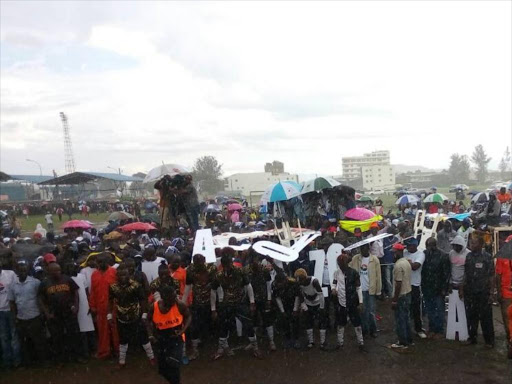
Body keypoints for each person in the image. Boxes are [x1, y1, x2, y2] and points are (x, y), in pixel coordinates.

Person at [211, 247, 260, 359]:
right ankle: (220, 349)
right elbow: (213, 291)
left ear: (231, 263)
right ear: (222, 265)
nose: (227, 267)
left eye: (229, 264)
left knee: (248, 325)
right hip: (227, 303)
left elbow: (248, 286)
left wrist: (252, 302)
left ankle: (255, 347)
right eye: (225, 265)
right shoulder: (219, 276)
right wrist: (213, 309)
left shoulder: (239, 271)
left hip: (240, 302)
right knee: (223, 326)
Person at [38, 262, 85, 364]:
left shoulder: (67, 279)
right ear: (49, 272)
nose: (57, 272)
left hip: (68, 312)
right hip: (54, 314)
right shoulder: (45, 283)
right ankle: (61, 359)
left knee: (73, 335)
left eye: (58, 270)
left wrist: (76, 307)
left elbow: (76, 293)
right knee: (57, 337)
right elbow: (40, 299)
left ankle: (77, 356)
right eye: (54, 270)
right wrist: (46, 313)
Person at [109, 266, 155, 368]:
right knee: (123, 339)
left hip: (136, 315)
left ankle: (151, 357)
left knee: (143, 337)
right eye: (120, 275)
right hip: (121, 317)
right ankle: (122, 361)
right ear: (117, 276)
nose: (122, 277)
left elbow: (143, 299)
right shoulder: (113, 287)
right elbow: (110, 300)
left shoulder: (136, 286)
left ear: (129, 275)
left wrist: (144, 313)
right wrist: (109, 314)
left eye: (125, 274)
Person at [147, 285, 191, 384]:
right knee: (163, 370)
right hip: (161, 338)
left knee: (174, 362)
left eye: (175, 296)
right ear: (164, 298)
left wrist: (183, 330)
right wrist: (151, 335)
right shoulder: (154, 307)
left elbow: (188, 316)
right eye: (172, 298)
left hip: (176, 338)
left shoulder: (179, 305)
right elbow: (147, 321)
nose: (175, 299)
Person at [8, 261, 47, 366]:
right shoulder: (12, 286)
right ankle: (28, 363)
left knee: (39, 341)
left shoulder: (35, 282)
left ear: (28, 271)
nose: (23, 272)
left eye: (25, 270)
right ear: (17, 271)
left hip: (35, 317)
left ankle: (42, 362)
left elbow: (41, 299)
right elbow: (12, 302)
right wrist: (14, 316)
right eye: (20, 270)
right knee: (25, 343)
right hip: (21, 318)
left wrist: (43, 313)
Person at [461, 237, 495, 348]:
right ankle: (472, 338)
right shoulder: (469, 256)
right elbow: (465, 273)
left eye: (474, 243)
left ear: (480, 244)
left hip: (483, 291)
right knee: (471, 316)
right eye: (471, 242)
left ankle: (489, 341)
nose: (471, 244)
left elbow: (491, 276)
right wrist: (462, 288)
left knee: (486, 317)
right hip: (470, 291)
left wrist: (491, 292)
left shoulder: (487, 257)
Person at [183, 253, 217, 360]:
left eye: (200, 262)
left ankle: (213, 349)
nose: (198, 264)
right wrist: (183, 303)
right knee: (195, 326)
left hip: (210, 301)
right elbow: (188, 287)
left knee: (211, 326)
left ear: (204, 260)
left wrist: (213, 308)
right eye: (196, 262)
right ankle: (195, 350)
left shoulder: (211, 269)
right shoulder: (190, 270)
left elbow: (214, 289)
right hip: (197, 302)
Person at [89, 252, 119, 359]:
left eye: (102, 262)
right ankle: (104, 351)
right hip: (100, 307)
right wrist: (92, 306)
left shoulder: (114, 272)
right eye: (98, 262)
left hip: (113, 306)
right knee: (102, 330)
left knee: (115, 330)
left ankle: (117, 350)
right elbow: (93, 291)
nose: (100, 264)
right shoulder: (94, 274)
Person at [244, 249, 275, 351]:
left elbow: (268, 285)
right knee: (252, 320)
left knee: (267, 319)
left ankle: (271, 341)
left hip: (263, 298)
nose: (254, 261)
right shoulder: (246, 270)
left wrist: (269, 299)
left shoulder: (264, 270)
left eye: (255, 259)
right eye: (252, 259)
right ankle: (254, 343)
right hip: (251, 299)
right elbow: (246, 286)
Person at [332, 253, 364, 350]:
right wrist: (333, 289)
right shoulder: (336, 273)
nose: (340, 266)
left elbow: (358, 288)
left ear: (347, 264)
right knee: (340, 323)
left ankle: (361, 342)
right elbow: (334, 283)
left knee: (357, 323)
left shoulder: (354, 273)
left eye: (342, 264)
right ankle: (340, 342)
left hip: (352, 302)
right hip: (341, 302)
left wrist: (361, 302)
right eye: (339, 264)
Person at [349, 243, 382, 338]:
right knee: (362, 311)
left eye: (365, 248)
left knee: (371, 311)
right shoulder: (356, 258)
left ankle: (373, 329)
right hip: (360, 290)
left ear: (368, 249)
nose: (363, 251)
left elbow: (378, 276)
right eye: (361, 249)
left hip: (370, 289)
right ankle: (364, 329)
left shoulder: (374, 260)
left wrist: (378, 291)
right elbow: (349, 266)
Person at [421, 238, 450, 339]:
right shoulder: (424, 254)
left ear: (436, 245)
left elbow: (446, 274)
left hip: (438, 288)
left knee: (439, 310)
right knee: (430, 310)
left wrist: (444, 289)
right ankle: (432, 328)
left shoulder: (443, 256)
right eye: (428, 246)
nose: (430, 248)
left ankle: (439, 330)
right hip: (427, 287)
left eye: (432, 245)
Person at [294, 268, 328, 349]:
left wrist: (322, 307)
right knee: (308, 322)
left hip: (318, 303)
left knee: (321, 322)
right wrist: (304, 306)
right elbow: (300, 295)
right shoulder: (299, 284)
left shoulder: (314, 281)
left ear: (304, 278)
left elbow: (321, 295)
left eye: (301, 281)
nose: (300, 283)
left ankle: (322, 342)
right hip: (308, 303)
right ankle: (311, 341)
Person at [68, 263, 95, 358]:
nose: (74, 269)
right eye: (71, 267)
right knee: (81, 333)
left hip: (85, 306)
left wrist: (90, 305)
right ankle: (84, 353)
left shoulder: (82, 276)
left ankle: (93, 350)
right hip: (76, 308)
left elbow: (87, 292)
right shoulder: (68, 279)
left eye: (75, 267)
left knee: (90, 331)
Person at [391, 243, 413, 350]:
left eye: (394, 252)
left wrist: (394, 300)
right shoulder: (406, 262)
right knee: (406, 318)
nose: (393, 254)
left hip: (401, 296)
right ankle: (409, 339)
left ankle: (402, 342)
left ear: (399, 252)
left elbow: (398, 284)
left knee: (400, 320)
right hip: (408, 293)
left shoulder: (398, 265)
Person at [404, 238, 427, 339]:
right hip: (405, 284)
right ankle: (406, 328)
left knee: (416, 308)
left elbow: (415, 266)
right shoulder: (405, 252)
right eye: (407, 245)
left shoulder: (420, 254)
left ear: (415, 246)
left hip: (415, 285)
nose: (408, 247)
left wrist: (406, 262)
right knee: (406, 308)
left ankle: (419, 329)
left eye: (410, 245)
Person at [272, 269, 301, 349]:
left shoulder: (293, 283)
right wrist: (282, 311)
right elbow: (277, 298)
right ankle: (287, 339)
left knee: (295, 321)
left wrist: (295, 309)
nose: (279, 285)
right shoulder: (274, 285)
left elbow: (297, 296)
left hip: (293, 301)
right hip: (283, 303)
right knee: (285, 322)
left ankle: (296, 339)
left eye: (280, 283)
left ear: (285, 281)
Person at [1, 261, 21, 368]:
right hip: (0, 312)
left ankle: (17, 361)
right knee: (4, 337)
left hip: (11, 309)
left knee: (14, 336)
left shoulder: (10, 274)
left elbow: (17, 288)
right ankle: (7, 362)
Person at [496, 253, 512, 358]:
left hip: (507, 293)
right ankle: (509, 343)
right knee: (507, 320)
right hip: (506, 293)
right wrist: (499, 292)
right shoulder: (502, 257)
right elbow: (498, 275)